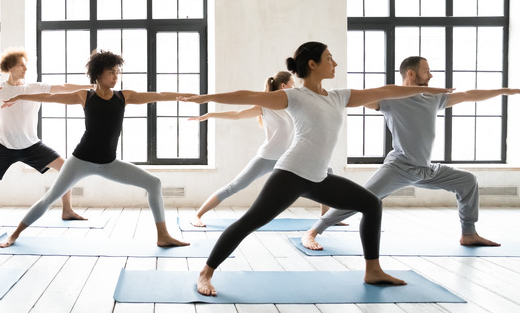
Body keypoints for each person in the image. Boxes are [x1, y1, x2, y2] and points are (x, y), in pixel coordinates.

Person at [180, 41, 452, 296]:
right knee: (250, 222)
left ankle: (373, 270)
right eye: (329, 59)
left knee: (371, 204)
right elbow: (247, 96)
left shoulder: (337, 96)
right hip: (292, 173)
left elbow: (386, 91)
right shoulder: (293, 97)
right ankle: (206, 273)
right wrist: (205, 97)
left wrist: (429, 90)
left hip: (319, 177)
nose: (335, 63)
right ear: (312, 64)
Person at [301, 55, 518, 251]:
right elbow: (350, 99)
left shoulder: (434, 98)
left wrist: (506, 91)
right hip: (398, 168)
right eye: (427, 71)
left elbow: (469, 95)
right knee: (362, 198)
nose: (431, 75)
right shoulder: (390, 99)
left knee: (468, 180)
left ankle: (468, 234)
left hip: (427, 169)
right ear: (411, 73)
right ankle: (313, 232)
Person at [0, 49, 190, 248]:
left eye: (117, 72)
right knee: (49, 199)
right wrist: (20, 97)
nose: (116, 77)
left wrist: (183, 96)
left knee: (154, 183)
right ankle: (15, 234)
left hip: (108, 163)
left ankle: (163, 236)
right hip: (80, 161)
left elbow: (158, 95)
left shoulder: (124, 97)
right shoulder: (85, 96)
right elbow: (50, 97)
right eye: (111, 72)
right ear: (98, 74)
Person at [0, 49, 91, 222]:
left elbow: (63, 87)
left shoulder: (34, 88)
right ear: (10, 67)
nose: (25, 69)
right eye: (21, 65)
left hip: (31, 145)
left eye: (26, 65)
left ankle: (67, 210)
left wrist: (92, 86)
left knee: (66, 168)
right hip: (3, 145)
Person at [188, 71, 295, 227]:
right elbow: (238, 114)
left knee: (323, 174)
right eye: (293, 84)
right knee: (236, 186)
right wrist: (210, 114)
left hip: (289, 157)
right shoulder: (264, 106)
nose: (295, 87)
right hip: (268, 157)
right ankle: (197, 215)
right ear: (283, 85)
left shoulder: (291, 106)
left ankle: (325, 218)